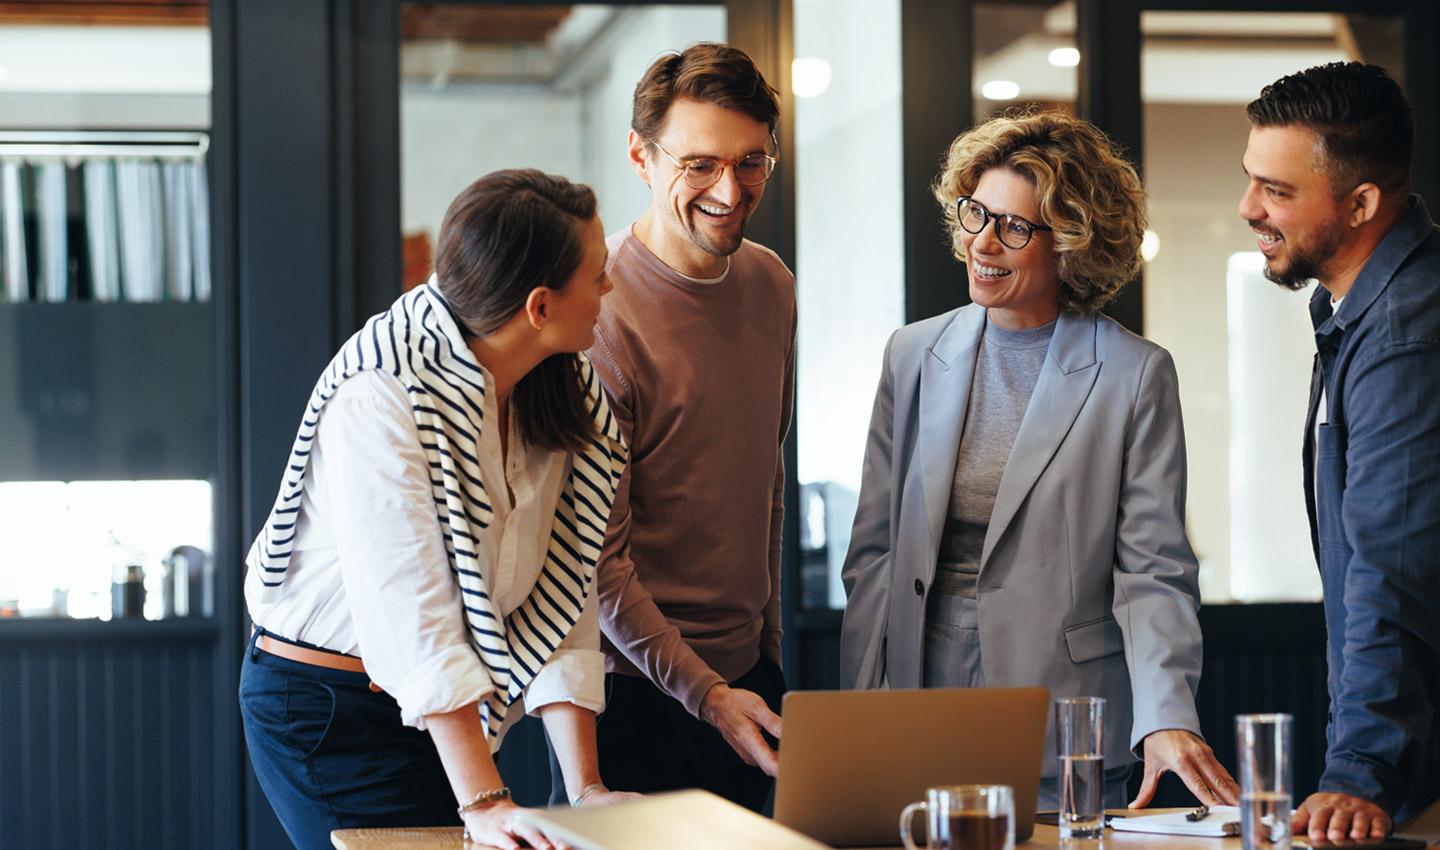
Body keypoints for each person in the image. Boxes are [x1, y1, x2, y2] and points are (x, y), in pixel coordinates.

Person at [839, 110, 1238, 811]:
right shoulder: (912, 354)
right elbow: (874, 553)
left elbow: (1155, 569)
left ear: (1072, 244)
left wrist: (1167, 714)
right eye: (975, 214)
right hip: (918, 703)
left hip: (1065, 714)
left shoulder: (1133, 374)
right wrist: (861, 712)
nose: (982, 243)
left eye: (1015, 227)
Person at [239, 169, 635, 850]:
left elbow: (566, 588)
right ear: (539, 307)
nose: (609, 288)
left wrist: (586, 789)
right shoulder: (382, 394)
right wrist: (484, 799)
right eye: (597, 274)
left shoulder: (559, 388)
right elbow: (410, 615)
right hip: (327, 710)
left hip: (440, 711)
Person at [549, 42, 795, 812]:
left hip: (751, 683)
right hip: (636, 693)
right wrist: (707, 692)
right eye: (700, 164)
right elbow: (598, 560)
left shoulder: (771, 282)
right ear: (640, 157)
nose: (730, 189)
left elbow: (766, 481)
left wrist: (765, 657)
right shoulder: (599, 315)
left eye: (752, 162)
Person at [1238, 61, 1440, 841]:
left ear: (1361, 204)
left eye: (1276, 191)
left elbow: (1396, 570)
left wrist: (1360, 773)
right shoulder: (1361, 308)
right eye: (1252, 179)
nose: (1248, 207)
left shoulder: (1405, 336)